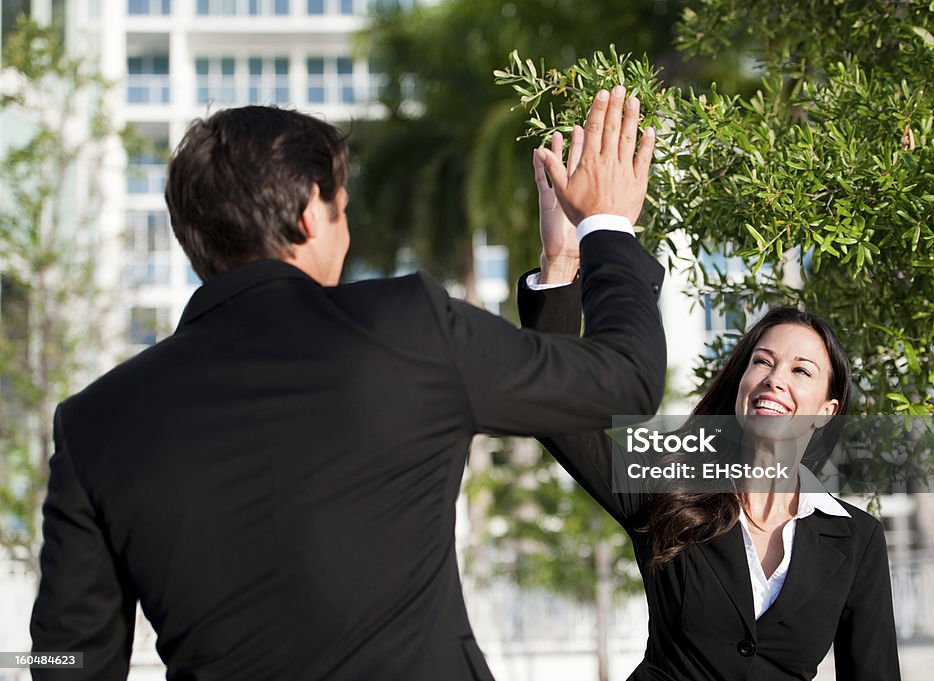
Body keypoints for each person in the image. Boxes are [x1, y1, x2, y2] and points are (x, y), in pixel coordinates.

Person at [29, 88, 666, 680]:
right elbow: (623, 382)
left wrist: (563, 266)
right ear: (311, 210)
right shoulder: (405, 329)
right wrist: (606, 227)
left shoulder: (94, 422)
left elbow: (62, 658)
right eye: (343, 211)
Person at [519, 137, 901, 681]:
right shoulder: (669, 484)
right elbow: (554, 412)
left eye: (801, 371)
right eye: (762, 362)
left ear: (826, 410)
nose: (774, 379)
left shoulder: (857, 539)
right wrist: (561, 260)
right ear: (741, 379)